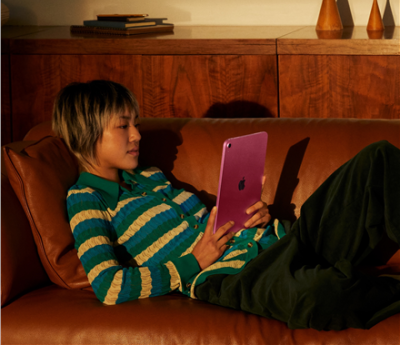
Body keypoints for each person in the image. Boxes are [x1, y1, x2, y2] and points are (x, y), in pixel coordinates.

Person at [53, 80, 400, 331]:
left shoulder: (151, 175)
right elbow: (109, 286)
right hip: (234, 276)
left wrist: (252, 215)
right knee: (321, 295)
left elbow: (212, 225)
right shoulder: (86, 199)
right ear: (87, 132)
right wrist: (194, 261)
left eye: (136, 124)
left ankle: (331, 272)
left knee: (378, 158)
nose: (137, 135)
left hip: (279, 240)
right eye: (123, 126)